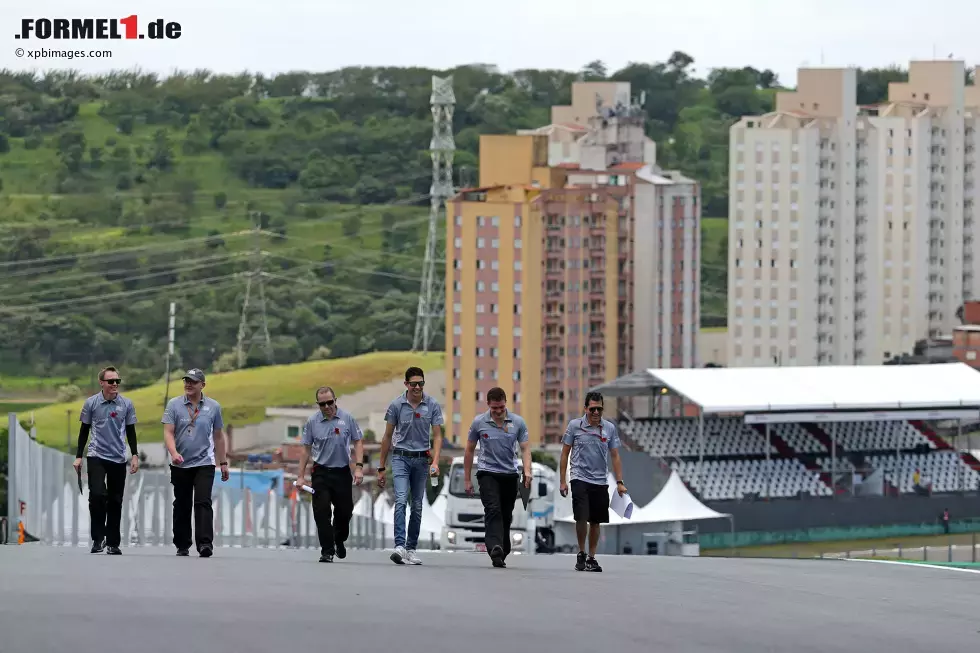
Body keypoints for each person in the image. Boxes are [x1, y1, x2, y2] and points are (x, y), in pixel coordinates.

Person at [377, 366, 445, 565]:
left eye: (421, 384)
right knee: (400, 499)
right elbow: (387, 437)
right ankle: (399, 545)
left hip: (422, 460)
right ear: (406, 384)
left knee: (417, 505)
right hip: (400, 458)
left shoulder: (431, 405)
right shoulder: (396, 405)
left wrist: (435, 461)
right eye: (413, 384)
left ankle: (410, 548)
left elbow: (438, 435)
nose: (417, 387)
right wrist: (381, 468)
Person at [161, 368, 229, 558]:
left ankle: (205, 543)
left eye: (193, 381)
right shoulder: (174, 405)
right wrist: (173, 453)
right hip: (180, 463)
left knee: (202, 501)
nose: (188, 384)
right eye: (186, 381)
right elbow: (168, 432)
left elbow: (218, 436)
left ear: (202, 385)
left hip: (204, 463)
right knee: (182, 503)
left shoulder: (213, 407)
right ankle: (182, 544)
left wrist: (222, 462)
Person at [559, 391, 628, 572]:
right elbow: (565, 453)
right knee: (581, 516)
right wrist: (563, 481)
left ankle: (591, 557)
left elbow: (615, 455)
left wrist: (619, 482)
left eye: (599, 409)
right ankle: (581, 552)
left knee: (595, 521)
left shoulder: (609, 428)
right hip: (579, 477)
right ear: (585, 409)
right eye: (592, 409)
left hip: (600, 480)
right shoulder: (574, 426)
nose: (596, 413)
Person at [73, 366, 139, 555]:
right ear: (102, 383)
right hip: (96, 455)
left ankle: (113, 542)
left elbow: (131, 431)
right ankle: (97, 538)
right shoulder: (91, 403)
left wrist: (134, 455)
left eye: (117, 381)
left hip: (118, 457)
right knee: (97, 495)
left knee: (115, 500)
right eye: (111, 381)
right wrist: (78, 456)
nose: (115, 384)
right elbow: (84, 430)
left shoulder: (126, 404)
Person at [463, 387, 532, 568]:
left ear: (505, 403)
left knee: (506, 514)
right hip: (487, 473)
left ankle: (503, 549)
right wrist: (467, 479)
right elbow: (469, 450)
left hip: (510, 474)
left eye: (501, 407)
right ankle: (494, 547)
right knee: (493, 509)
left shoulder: (518, 422)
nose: (499, 411)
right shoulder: (479, 422)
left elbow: (525, 449)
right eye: (495, 408)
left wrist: (527, 471)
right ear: (488, 405)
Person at [295, 386, 365, 563]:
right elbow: (305, 450)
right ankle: (327, 550)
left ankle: (338, 539)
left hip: (342, 472)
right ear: (317, 404)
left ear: (335, 400)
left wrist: (358, 467)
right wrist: (300, 476)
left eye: (330, 402)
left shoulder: (347, 419)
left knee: (345, 511)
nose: (327, 407)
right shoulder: (312, 422)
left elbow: (358, 442)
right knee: (321, 511)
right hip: (321, 472)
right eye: (322, 404)